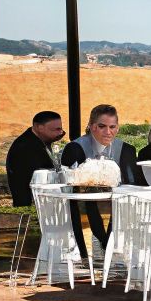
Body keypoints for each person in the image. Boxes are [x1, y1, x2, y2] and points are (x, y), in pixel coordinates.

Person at [59, 104, 142, 258]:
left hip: (117, 208)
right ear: (91, 126)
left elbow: (131, 184)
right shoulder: (75, 148)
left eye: (112, 127)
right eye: (102, 126)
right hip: (82, 206)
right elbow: (69, 187)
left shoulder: (126, 149)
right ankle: (88, 254)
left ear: (117, 128)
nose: (108, 132)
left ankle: (113, 252)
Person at [5, 109, 66, 208]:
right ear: (39, 127)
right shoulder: (26, 147)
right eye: (56, 129)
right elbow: (37, 176)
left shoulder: (39, 140)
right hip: (33, 202)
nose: (61, 133)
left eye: (61, 129)